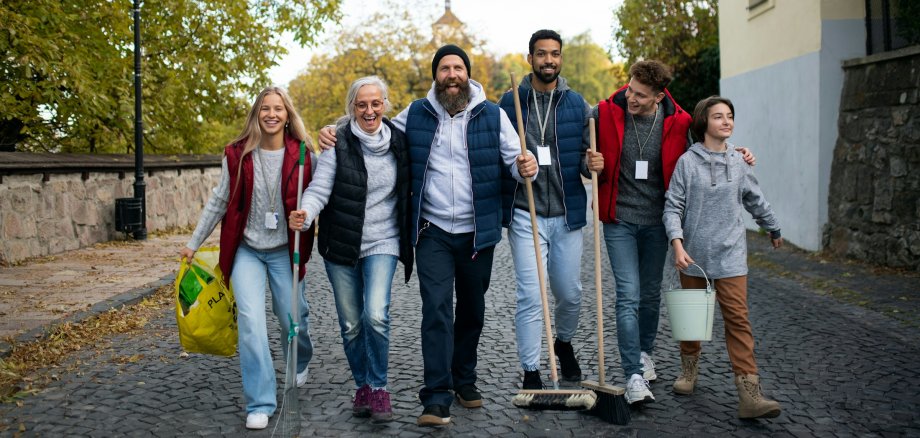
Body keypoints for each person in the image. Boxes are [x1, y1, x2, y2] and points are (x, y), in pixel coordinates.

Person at [318, 44, 537, 427]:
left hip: (477, 231)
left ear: (467, 74)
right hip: (432, 229)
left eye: (458, 68)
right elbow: (373, 128)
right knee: (436, 308)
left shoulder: (494, 115)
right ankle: (435, 397)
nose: (451, 74)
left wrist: (526, 166)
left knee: (472, 309)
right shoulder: (417, 113)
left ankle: (463, 378)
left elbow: (514, 164)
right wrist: (333, 130)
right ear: (435, 75)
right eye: (444, 68)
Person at [594, 60, 755, 405]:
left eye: (640, 95)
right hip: (618, 219)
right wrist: (589, 163)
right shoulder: (604, 113)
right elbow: (584, 155)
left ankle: (645, 351)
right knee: (628, 293)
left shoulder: (678, 122)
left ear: (658, 96)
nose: (630, 98)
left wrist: (737, 154)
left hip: (656, 221)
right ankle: (633, 373)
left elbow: (705, 151)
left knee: (650, 293)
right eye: (630, 89)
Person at [180, 87, 315, 430]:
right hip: (248, 251)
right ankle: (261, 401)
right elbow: (219, 200)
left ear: (287, 115)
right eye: (265, 109)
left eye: (278, 109)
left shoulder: (302, 155)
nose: (271, 114)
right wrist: (193, 243)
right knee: (252, 324)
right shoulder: (237, 155)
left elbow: (315, 198)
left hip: (285, 250)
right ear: (256, 114)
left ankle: (301, 357)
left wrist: (307, 217)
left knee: (291, 318)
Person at [288, 76, 411, 423]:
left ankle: (379, 387)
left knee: (376, 314)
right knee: (352, 324)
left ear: (385, 104)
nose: (369, 111)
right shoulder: (337, 142)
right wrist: (306, 212)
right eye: (361, 105)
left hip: (383, 241)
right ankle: (362, 385)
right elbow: (319, 188)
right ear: (352, 108)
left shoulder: (401, 142)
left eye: (375, 103)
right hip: (341, 243)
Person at [663, 95, 783, 419]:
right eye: (719, 117)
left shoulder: (740, 161)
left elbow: (755, 199)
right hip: (694, 255)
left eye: (729, 116)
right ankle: (688, 371)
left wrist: (772, 227)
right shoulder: (687, 163)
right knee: (692, 320)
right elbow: (673, 205)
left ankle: (750, 396)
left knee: (738, 322)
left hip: (731, 255)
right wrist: (677, 243)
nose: (727, 121)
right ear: (704, 123)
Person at [497, 29, 604, 390]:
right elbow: (497, 156)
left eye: (555, 54)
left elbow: (586, 161)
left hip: (567, 213)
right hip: (524, 211)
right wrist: (513, 163)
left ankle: (564, 342)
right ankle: (531, 369)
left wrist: (594, 163)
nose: (549, 60)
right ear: (530, 58)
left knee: (569, 293)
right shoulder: (509, 102)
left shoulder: (578, 105)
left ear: (561, 58)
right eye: (542, 54)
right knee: (531, 293)